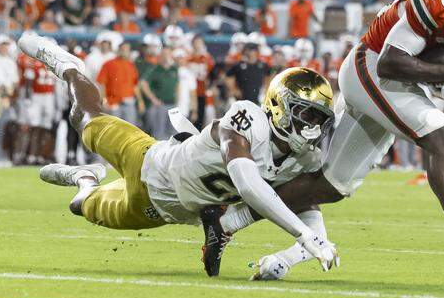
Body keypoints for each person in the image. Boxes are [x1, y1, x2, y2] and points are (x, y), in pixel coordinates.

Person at [205, 0, 444, 281]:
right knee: (439, 133)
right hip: (370, 66)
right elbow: (393, 61)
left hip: (394, 77)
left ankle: (225, 220)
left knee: (332, 185)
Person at [19, 33, 338, 277]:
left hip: (158, 210)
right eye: (306, 116)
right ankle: (69, 67)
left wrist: (288, 258)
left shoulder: (303, 159)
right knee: (84, 119)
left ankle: (84, 176)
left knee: (79, 206)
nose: (312, 128)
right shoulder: (247, 117)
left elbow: (313, 221)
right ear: (280, 105)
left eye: (318, 121)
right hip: (147, 159)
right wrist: (303, 234)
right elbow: (249, 186)